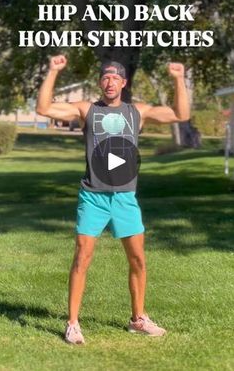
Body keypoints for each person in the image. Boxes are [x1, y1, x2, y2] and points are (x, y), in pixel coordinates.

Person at [36, 55, 190, 344]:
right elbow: (43, 107)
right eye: (105, 78)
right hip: (93, 196)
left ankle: (138, 319)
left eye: (115, 78)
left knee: (138, 260)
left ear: (123, 82)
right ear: (100, 82)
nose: (109, 82)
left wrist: (179, 78)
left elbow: (180, 114)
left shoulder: (137, 112)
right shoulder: (87, 109)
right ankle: (72, 324)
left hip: (125, 198)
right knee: (82, 257)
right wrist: (53, 71)